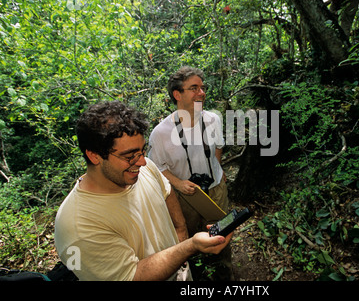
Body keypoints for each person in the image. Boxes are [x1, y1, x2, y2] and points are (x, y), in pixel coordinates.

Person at [54, 100, 232, 281]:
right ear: (94, 155)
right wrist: (189, 246)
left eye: (142, 150)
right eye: (130, 156)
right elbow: (132, 276)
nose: (142, 162)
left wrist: (181, 230)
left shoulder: (143, 169)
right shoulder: (78, 225)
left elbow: (166, 190)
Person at [148, 66, 232, 280]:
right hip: (185, 196)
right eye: (194, 88)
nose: (202, 93)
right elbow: (156, 167)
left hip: (216, 189)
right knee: (192, 238)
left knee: (222, 232)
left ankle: (224, 271)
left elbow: (219, 146)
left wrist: (217, 169)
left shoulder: (213, 119)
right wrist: (178, 183)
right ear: (177, 94)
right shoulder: (161, 133)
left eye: (202, 88)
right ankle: (197, 275)